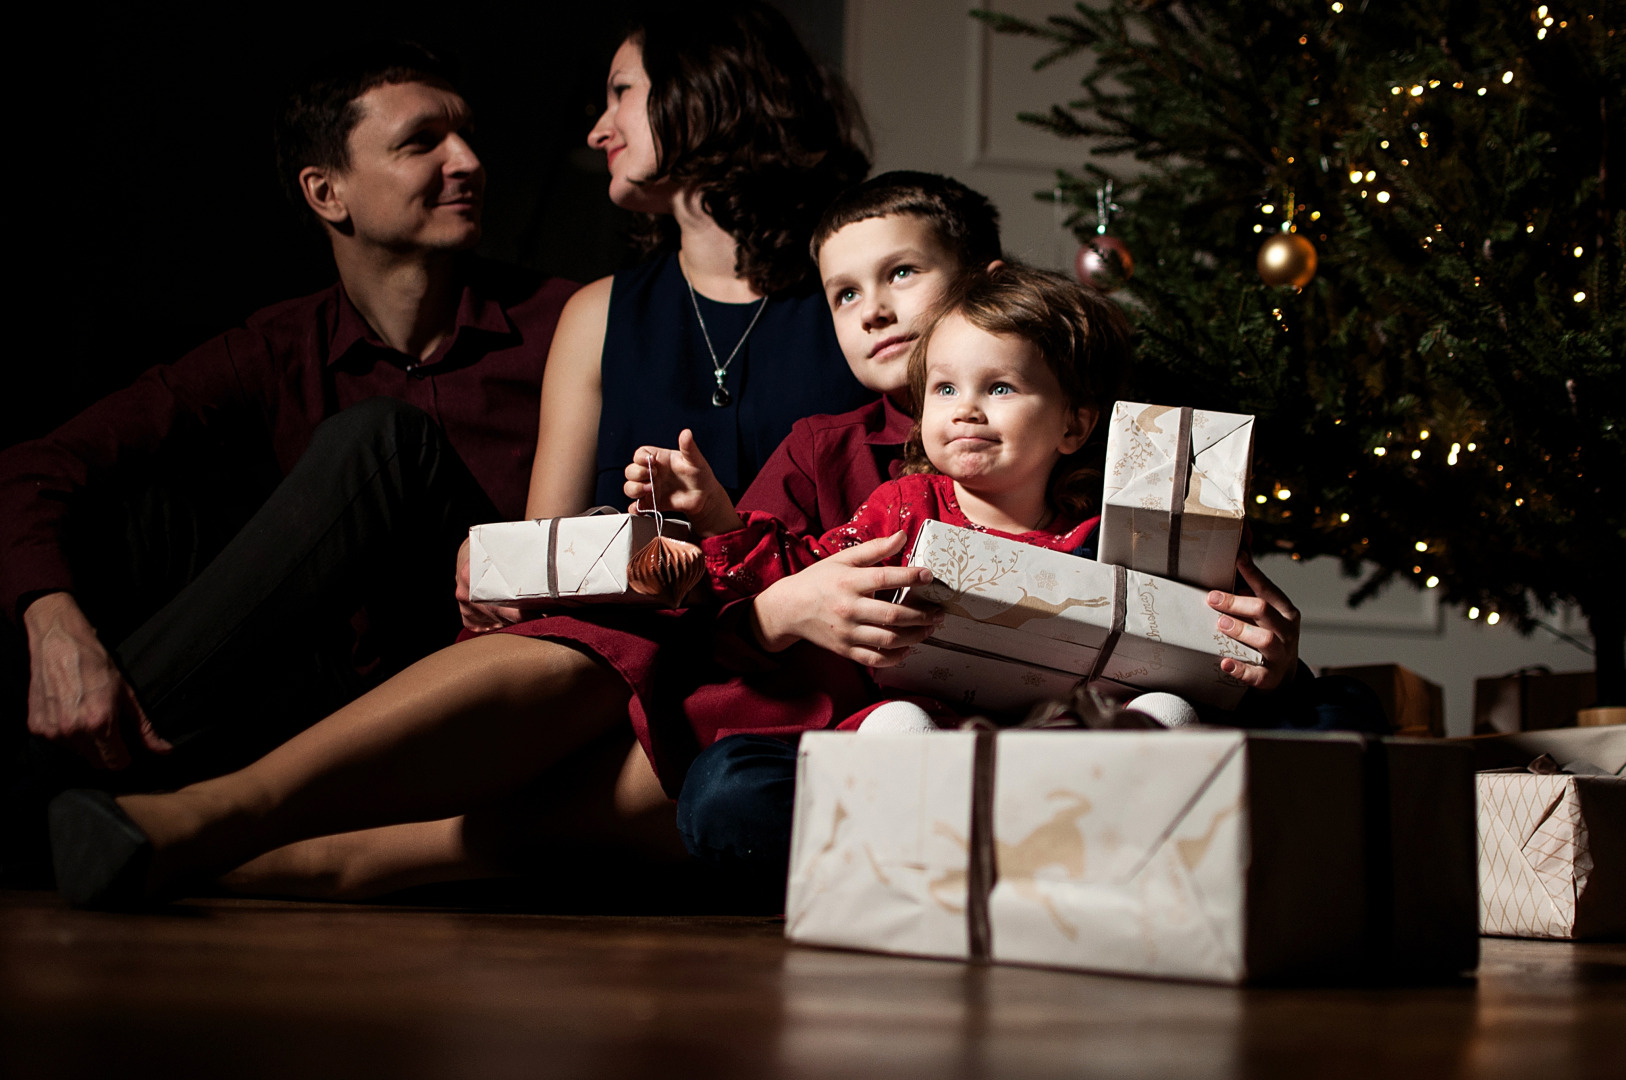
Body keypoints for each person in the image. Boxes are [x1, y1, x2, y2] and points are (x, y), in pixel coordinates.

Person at [43, 3, 907, 909]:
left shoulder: (858, 297)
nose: (598, 128)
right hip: (614, 654)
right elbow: (545, 551)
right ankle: (202, 822)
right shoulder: (599, 314)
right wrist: (493, 565)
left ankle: (209, 836)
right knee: (605, 630)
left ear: (707, 95)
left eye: (622, 94)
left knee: (622, 718)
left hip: (792, 657)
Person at [1, 42, 579, 877]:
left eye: (468, 137)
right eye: (424, 143)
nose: (469, 162)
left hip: (484, 679)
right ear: (326, 191)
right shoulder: (275, 348)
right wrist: (53, 621)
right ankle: (68, 799)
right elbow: (37, 465)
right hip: (319, 702)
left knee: (382, 441)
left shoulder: (566, 322)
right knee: (131, 518)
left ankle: (36, 813)